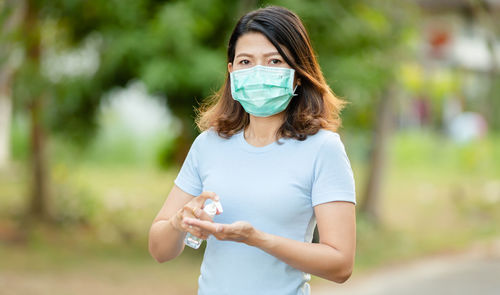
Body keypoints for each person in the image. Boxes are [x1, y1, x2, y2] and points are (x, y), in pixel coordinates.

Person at [148, 6, 356, 295]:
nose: (259, 72)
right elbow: (159, 249)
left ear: (298, 74)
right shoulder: (209, 145)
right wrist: (179, 221)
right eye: (246, 61)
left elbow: (341, 264)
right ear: (232, 71)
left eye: (274, 61)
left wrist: (257, 239)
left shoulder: (323, 148)